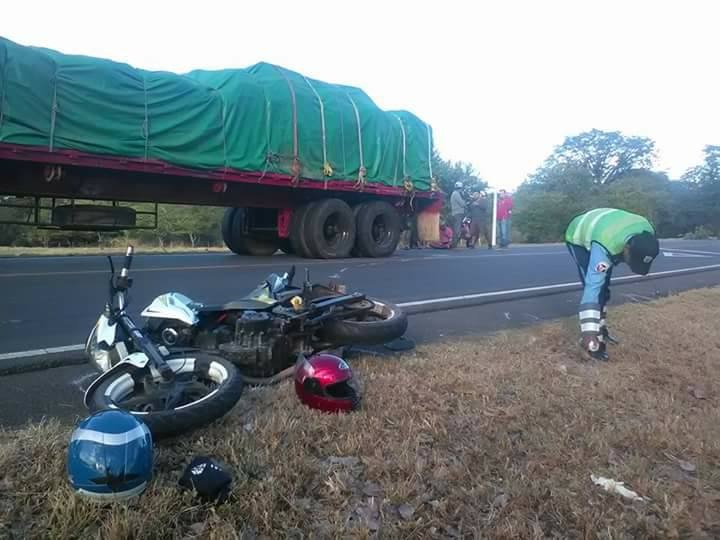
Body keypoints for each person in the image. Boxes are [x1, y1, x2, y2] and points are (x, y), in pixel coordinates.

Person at [565, 208, 660, 362]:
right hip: (578, 235)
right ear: (626, 249)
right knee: (596, 286)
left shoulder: (648, 232)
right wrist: (589, 333)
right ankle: (592, 335)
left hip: (608, 231)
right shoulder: (606, 245)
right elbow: (593, 288)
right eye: (631, 261)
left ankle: (601, 327)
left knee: (605, 286)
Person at [449, 182, 466, 248]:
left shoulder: (454, 193)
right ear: (460, 188)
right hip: (458, 213)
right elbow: (462, 204)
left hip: (455, 213)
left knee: (456, 229)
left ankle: (453, 244)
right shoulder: (456, 194)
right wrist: (465, 202)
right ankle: (453, 244)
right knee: (457, 229)